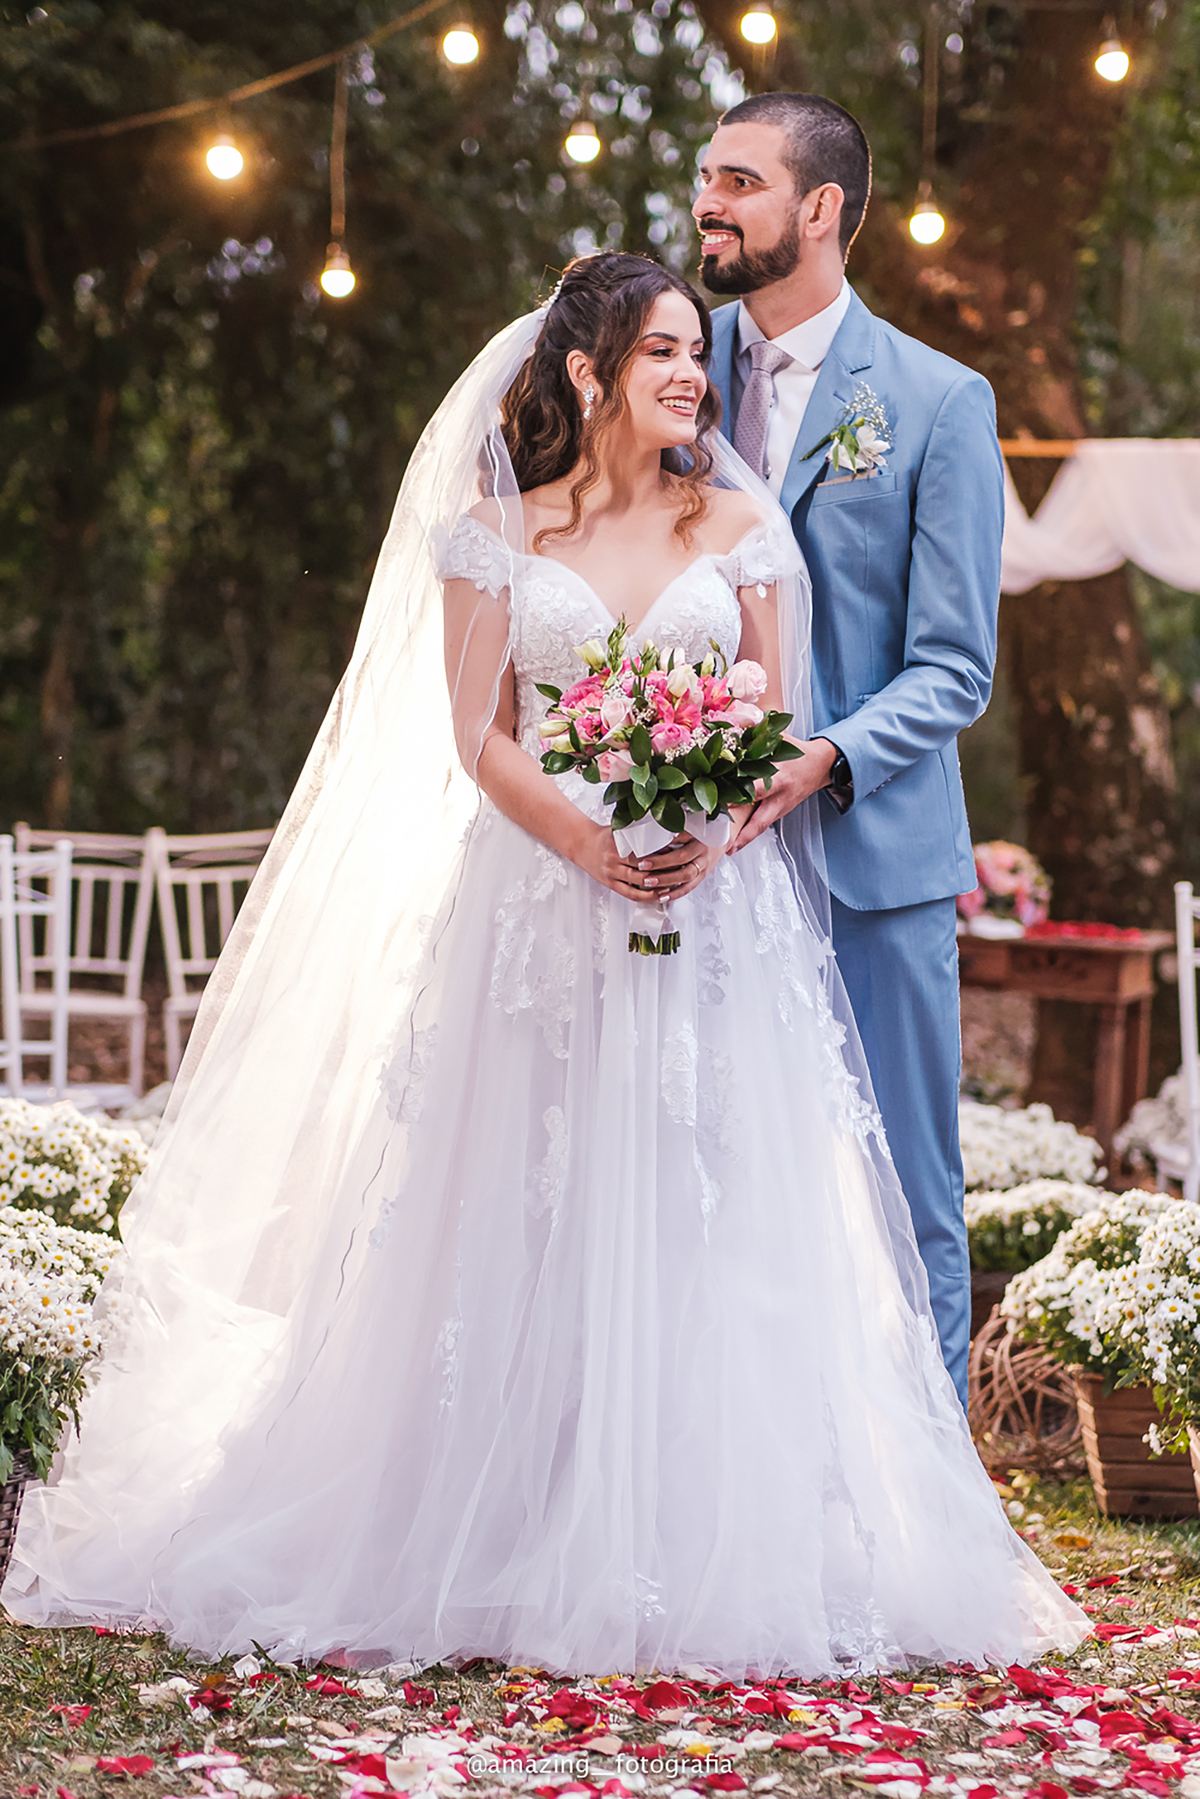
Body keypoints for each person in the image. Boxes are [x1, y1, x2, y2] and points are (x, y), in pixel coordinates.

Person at [4, 254, 1083, 1678]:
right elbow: (481, 737)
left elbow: (774, 719)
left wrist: (719, 825)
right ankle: (498, 1513)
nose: (692, 374)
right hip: (540, 910)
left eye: (697, 352)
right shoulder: (495, 538)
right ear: (587, 376)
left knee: (712, 1200)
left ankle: (713, 1519)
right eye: (660, 353)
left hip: (715, 918)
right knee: (527, 1193)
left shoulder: (745, 530)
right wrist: (588, 840)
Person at [695, 93, 1002, 1410]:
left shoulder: (939, 401)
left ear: (820, 210)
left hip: (873, 859)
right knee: (697, 1176)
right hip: (694, 856)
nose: (709, 202)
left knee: (906, 1187)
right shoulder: (662, 366)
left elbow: (955, 667)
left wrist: (820, 757)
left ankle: (936, 1489)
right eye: (703, 178)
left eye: (740, 181)